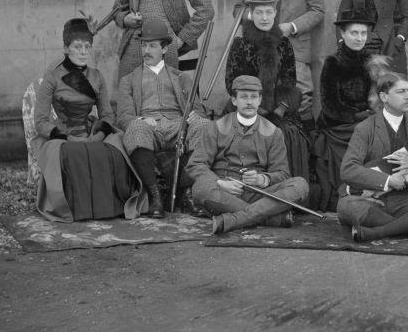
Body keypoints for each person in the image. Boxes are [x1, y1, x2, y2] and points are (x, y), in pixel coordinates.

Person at [34, 18, 143, 222]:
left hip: (90, 131)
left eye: (87, 47)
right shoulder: (53, 77)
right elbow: (40, 120)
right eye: (77, 47)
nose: (84, 52)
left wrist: (100, 134)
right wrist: (66, 136)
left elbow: (107, 115)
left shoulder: (97, 76)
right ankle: (76, 209)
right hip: (63, 136)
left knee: (113, 152)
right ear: (66, 48)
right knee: (73, 154)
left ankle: (110, 208)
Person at [337, 73, 408, 242]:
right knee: (346, 206)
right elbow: (348, 170)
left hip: (406, 202)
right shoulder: (365, 128)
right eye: (400, 92)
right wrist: (388, 181)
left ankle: (378, 232)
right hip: (370, 200)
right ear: (384, 97)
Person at [187, 75, 310, 234]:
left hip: (259, 194)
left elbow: (283, 174)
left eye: (254, 97)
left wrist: (263, 179)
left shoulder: (274, 132)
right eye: (244, 97)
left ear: (260, 100)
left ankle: (234, 220)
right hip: (225, 193)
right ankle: (271, 218)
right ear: (234, 100)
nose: (249, 102)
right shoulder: (215, 127)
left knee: (300, 185)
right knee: (200, 189)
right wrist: (219, 182)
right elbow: (196, 165)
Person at [225, 0, 312, 180]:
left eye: (268, 12)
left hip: (279, 109)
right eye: (259, 12)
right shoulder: (240, 45)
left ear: (275, 13)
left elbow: (290, 82)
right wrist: (257, 110)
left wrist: (279, 111)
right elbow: (231, 83)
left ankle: (284, 188)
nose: (264, 18)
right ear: (251, 14)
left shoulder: (284, 45)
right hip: (247, 107)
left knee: (289, 135)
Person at [117, 16, 208, 218]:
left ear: (165, 49)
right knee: (135, 127)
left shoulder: (181, 77)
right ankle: (155, 195)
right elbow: (123, 115)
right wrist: (140, 120)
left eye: (152, 46)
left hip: (178, 126)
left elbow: (199, 110)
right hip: (150, 129)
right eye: (144, 45)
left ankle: (185, 192)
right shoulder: (129, 80)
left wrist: (193, 117)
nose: (146, 51)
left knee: (203, 126)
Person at [312, 5, 379, 211]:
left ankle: (376, 194)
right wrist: (358, 117)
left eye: (363, 33)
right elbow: (330, 104)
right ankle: (346, 198)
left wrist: (373, 112)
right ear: (343, 34)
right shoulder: (333, 62)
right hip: (338, 126)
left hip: (366, 120)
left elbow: (376, 96)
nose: (359, 38)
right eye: (354, 33)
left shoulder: (370, 61)